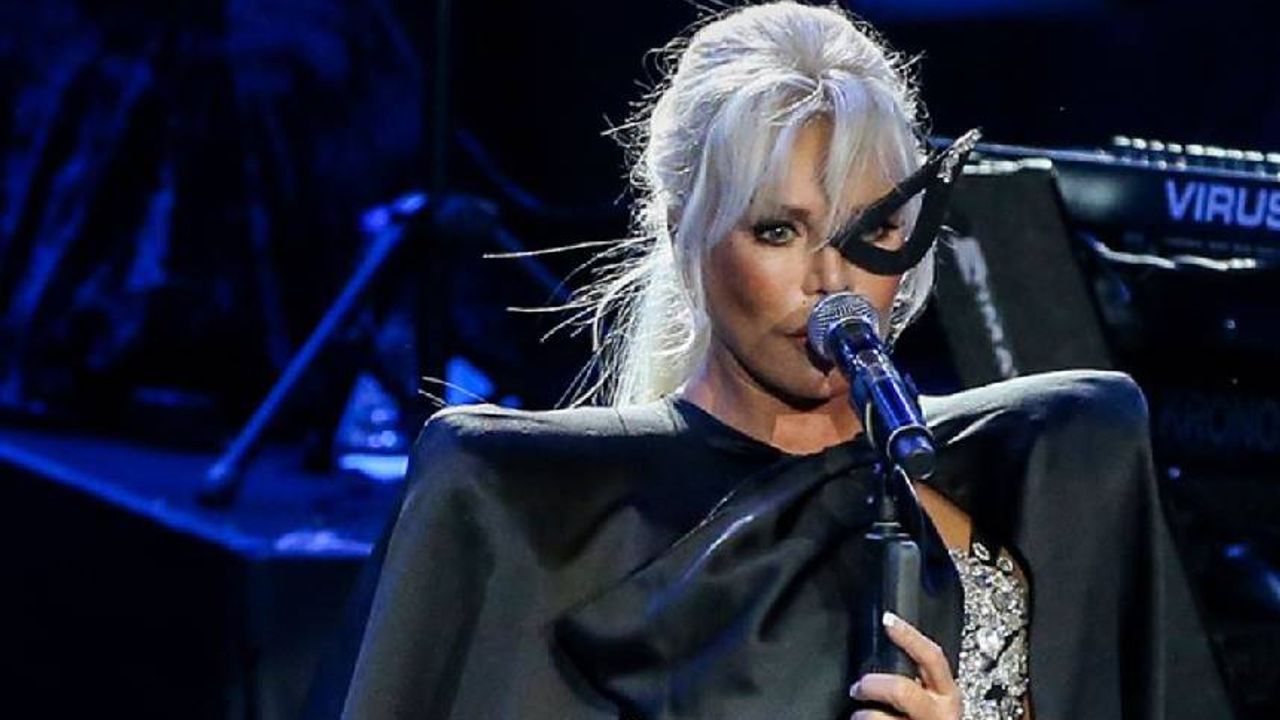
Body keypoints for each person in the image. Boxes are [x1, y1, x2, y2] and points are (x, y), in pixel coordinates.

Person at [323, 2, 1232, 718]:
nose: (833, 283)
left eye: (873, 229)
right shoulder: (530, 509)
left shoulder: (1047, 468)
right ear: (683, 231)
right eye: (778, 231)